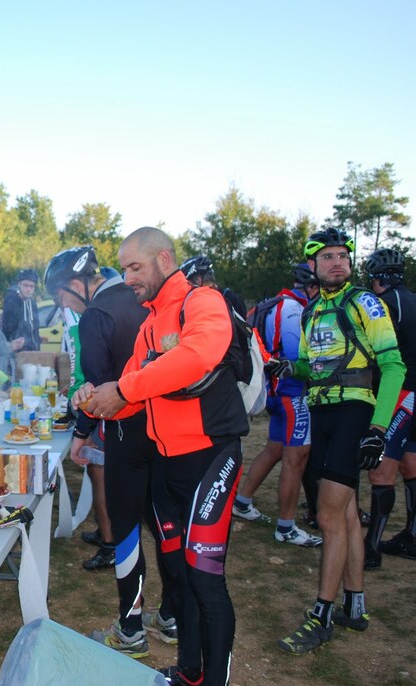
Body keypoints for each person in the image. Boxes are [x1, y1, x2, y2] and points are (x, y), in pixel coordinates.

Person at [76, 227, 249, 686]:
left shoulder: (202, 302)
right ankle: (190, 671)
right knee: (181, 573)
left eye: (135, 267)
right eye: (124, 269)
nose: (128, 278)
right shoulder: (149, 325)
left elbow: (195, 357)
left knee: (206, 577)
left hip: (211, 456)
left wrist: (124, 387)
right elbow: (131, 397)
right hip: (167, 465)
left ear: (164, 260)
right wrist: (92, 400)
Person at [273, 229, 405, 654]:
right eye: (328, 257)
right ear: (312, 265)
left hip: (354, 412)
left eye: (343, 256)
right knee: (345, 514)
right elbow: (311, 366)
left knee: (328, 516)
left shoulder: (365, 302)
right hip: (322, 413)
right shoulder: (312, 311)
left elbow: (393, 366)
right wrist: (286, 367)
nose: (337, 262)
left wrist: (378, 430)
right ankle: (355, 605)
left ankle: (322, 617)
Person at [46, 246, 176, 659]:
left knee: (125, 530)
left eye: (61, 296)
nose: (64, 306)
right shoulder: (147, 300)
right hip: (167, 429)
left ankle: (131, 629)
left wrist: (82, 433)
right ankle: (171, 615)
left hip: (126, 431)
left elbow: (99, 388)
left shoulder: (96, 315)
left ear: (77, 284)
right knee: (165, 524)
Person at [232, 264, 322, 547]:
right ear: (312, 287)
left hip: (273, 390)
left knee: (274, 449)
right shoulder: (295, 310)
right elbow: (296, 357)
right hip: (292, 392)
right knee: (296, 459)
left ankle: (243, 501)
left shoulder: (275, 303)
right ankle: (286, 527)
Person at [361, 248, 416, 569]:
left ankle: (371, 548)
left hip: (402, 394)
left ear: (376, 278)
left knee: (381, 471)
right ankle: (411, 537)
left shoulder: (385, 304)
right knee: (412, 465)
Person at [179, 255, 246, 317]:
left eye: (189, 283)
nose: (189, 288)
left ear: (198, 280)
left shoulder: (230, 299)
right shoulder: (229, 297)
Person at [2, 268, 42, 352]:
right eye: (25, 285)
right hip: (17, 352)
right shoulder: (11, 303)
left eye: (31, 286)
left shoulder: (33, 304)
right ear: (19, 285)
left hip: (34, 351)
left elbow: (35, 329)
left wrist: (38, 344)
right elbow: (6, 329)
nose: (28, 289)